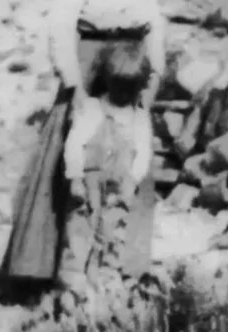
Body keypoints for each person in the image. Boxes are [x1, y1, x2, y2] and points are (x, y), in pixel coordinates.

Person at [1, 0, 165, 301]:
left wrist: (153, 80)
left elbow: (155, 32)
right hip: (90, 72)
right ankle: (52, 274)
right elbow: (60, 26)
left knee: (125, 169)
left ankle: (115, 271)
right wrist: (73, 83)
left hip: (129, 77)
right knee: (74, 167)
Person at [56, 42, 155, 312]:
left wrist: (133, 180)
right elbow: (75, 143)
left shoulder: (139, 117)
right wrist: (75, 177)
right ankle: (73, 291)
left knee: (113, 235)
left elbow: (143, 152)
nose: (122, 94)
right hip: (89, 181)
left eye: (129, 88)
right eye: (118, 86)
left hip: (120, 184)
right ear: (107, 81)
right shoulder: (92, 108)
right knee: (79, 231)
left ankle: (106, 289)